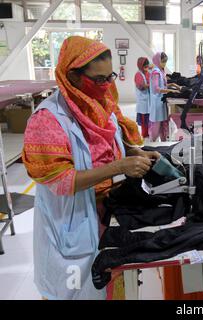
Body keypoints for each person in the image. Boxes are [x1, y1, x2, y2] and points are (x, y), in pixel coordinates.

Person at [22, 36, 160, 300]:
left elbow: (111, 142)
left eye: (110, 77)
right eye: (98, 79)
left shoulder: (101, 104)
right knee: (74, 291)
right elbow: (63, 181)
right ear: (72, 75)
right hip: (71, 224)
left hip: (106, 214)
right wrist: (119, 167)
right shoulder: (47, 120)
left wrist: (136, 152)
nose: (106, 85)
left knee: (109, 285)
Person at [149, 52, 179, 142]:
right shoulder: (155, 73)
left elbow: (163, 85)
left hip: (161, 100)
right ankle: (153, 143)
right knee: (157, 124)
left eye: (165, 61)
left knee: (163, 123)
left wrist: (172, 85)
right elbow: (157, 88)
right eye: (163, 61)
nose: (164, 63)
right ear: (157, 61)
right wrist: (171, 90)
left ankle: (163, 141)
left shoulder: (161, 71)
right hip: (157, 101)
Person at [134, 57, 152, 139]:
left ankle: (149, 133)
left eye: (147, 66)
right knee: (144, 118)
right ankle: (144, 134)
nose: (146, 68)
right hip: (143, 101)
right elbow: (141, 87)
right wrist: (150, 85)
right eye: (144, 66)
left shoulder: (147, 73)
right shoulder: (138, 74)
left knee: (149, 118)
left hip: (148, 100)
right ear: (140, 66)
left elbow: (151, 80)